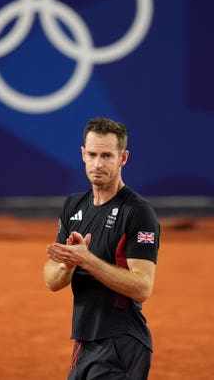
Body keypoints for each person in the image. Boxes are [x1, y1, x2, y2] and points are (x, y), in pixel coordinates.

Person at [44, 117, 160, 380]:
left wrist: (87, 260)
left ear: (123, 158)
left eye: (107, 155)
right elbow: (51, 281)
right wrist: (68, 263)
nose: (98, 164)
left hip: (121, 342)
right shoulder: (74, 206)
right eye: (93, 154)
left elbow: (143, 288)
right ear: (83, 155)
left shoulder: (138, 213)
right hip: (85, 342)